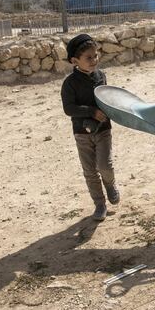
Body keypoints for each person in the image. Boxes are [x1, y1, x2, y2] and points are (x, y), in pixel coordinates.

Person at [61, 33, 120, 222]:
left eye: (96, 55)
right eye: (89, 57)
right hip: (82, 133)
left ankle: (110, 184)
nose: (94, 60)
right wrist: (91, 112)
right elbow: (69, 108)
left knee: (105, 166)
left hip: (103, 129)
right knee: (89, 171)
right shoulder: (69, 83)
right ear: (75, 61)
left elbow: (106, 98)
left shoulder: (101, 76)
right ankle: (99, 203)